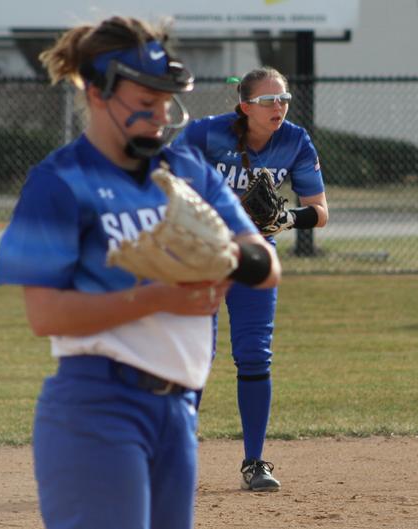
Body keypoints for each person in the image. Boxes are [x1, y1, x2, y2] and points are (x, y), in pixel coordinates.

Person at [0, 16, 281, 529]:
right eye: (145, 101)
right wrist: (156, 295)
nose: (160, 114)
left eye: (165, 101)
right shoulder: (57, 182)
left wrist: (223, 258)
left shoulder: (186, 173)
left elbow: (265, 266)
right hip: (96, 407)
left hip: (176, 414)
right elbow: (44, 315)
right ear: (98, 93)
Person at [174, 67, 328, 492]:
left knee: (256, 355)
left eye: (283, 99)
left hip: (255, 255)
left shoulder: (295, 140)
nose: (278, 106)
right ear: (245, 106)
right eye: (268, 100)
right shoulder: (206, 134)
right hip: (201, 253)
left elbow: (320, 210)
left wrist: (285, 218)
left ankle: (255, 463)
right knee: (196, 357)